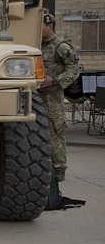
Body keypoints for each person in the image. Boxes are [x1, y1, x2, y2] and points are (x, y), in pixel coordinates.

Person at [39, 11, 81, 182]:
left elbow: (75, 69)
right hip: (36, 96)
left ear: (50, 26)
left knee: (55, 132)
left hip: (53, 98)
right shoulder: (35, 45)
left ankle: (59, 168)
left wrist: (55, 81)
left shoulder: (61, 47)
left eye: (41, 26)